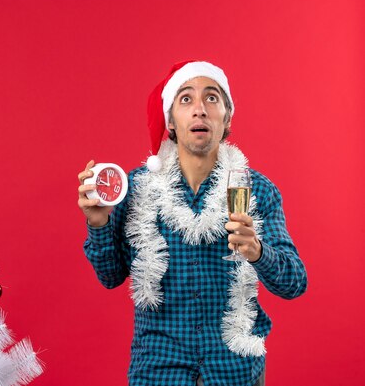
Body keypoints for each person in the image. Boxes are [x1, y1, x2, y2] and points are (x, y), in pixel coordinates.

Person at [77, 61, 307, 386]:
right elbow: (111, 277)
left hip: (234, 369)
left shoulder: (257, 191)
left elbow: (295, 284)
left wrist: (257, 251)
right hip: (159, 368)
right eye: (186, 99)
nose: (199, 109)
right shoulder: (138, 189)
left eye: (211, 98)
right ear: (171, 120)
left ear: (226, 117)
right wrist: (98, 223)